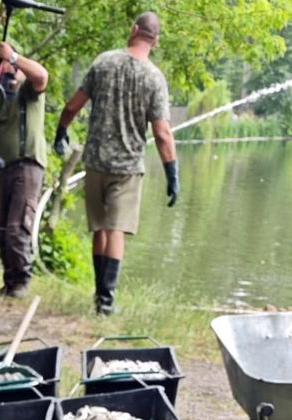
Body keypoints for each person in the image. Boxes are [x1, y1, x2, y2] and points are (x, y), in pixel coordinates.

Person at [54, 11, 179, 315]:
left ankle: (99, 295)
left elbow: (73, 105)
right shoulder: (154, 78)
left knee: (100, 228)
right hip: (127, 167)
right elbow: (161, 133)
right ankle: (107, 303)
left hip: (96, 161)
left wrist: (61, 132)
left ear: (134, 29)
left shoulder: (103, 62)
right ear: (156, 40)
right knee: (117, 230)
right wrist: (172, 173)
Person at [0, 41, 49, 299]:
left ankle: (22, 282)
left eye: (10, 67)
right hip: (4, 166)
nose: (8, 72)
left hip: (28, 165)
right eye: (2, 67)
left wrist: (13, 57)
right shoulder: (1, 98)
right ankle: (9, 281)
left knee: (17, 227)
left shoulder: (29, 90)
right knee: (2, 228)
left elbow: (42, 75)